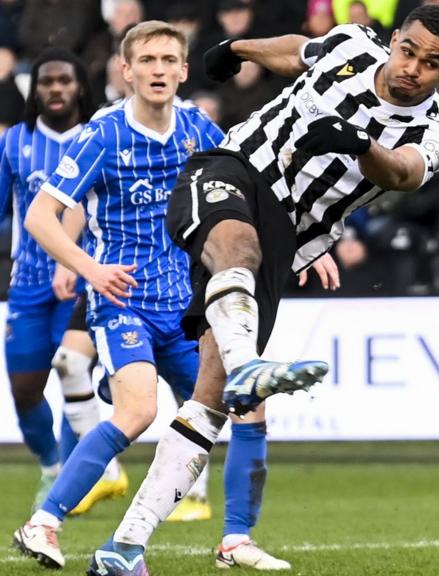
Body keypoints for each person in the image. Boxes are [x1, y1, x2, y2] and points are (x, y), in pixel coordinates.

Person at [71, 5, 439, 573]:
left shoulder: (438, 133)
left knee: (208, 400)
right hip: (234, 167)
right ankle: (249, 366)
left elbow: (401, 172)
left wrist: (359, 145)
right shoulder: (353, 43)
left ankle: (125, 548)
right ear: (396, 40)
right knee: (238, 248)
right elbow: (297, 50)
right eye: (408, 51)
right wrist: (236, 51)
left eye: (431, 64)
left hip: (291, 233)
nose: (413, 69)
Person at [10, 22, 290, 572]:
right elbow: (41, 215)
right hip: (126, 301)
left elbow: (246, 192)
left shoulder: (198, 129)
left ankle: (236, 540)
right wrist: (91, 269)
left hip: (187, 307)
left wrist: (311, 249)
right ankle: (43, 524)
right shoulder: (103, 134)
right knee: (138, 411)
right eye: (148, 60)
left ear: (184, 70)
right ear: (126, 71)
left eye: (169, 60)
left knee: (249, 404)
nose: (159, 69)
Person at [0, 49, 127, 514]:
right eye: (46, 81)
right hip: (28, 283)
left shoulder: (104, 136)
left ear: (80, 87)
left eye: (64, 81)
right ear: (35, 89)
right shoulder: (14, 141)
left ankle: (73, 482)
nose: (55, 89)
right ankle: (53, 465)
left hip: (88, 279)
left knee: (73, 370)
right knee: (25, 388)